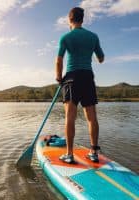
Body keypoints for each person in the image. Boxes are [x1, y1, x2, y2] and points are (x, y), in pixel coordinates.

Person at [55, 7, 104, 163]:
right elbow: (101, 58)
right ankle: (94, 153)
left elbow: (59, 60)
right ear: (82, 19)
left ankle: (69, 155)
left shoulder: (66, 37)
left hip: (71, 78)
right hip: (87, 77)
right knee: (91, 118)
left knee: (70, 117)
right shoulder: (93, 36)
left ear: (70, 20)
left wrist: (58, 77)